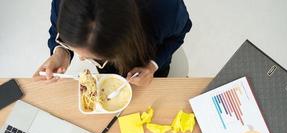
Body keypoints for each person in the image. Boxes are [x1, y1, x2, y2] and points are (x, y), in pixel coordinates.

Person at [33, 0, 192, 87]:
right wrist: (62, 52)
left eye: (93, 56)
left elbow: (179, 34)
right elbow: (58, 27)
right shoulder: (64, 4)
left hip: (150, 58)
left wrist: (152, 66)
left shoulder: (166, 8)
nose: (81, 59)